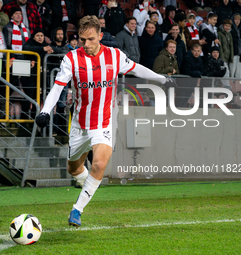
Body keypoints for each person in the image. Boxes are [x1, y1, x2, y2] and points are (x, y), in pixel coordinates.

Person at [35, 15, 171, 227]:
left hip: (105, 123)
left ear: (100, 36)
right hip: (79, 126)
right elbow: (58, 86)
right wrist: (45, 111)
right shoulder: (71, 59)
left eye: (90, 39)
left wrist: (162, 79)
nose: (86, 44)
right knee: (73, 169)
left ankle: (77, 210)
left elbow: (136, 68)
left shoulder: (114, 56)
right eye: (82, 40)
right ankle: (89, 185)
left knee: (99, 163)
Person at [230, 13, 241, 78]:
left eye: (239, 19)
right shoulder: (231, 30)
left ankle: (237, 88)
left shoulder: (240, 30)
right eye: (236, 19)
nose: (237, 21)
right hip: (233, 54)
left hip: (239, 55)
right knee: (232, 73)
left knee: (238, 75)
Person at [218, 19, 234, 86]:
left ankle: (226, 87)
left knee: (228, 73)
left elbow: (231, 46)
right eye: (226, 25)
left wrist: (231, 58)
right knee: (225, 72)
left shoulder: (229, 34)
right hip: (222, 58)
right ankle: (227, 87)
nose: (227, 27)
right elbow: (220, 47)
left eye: (229, 26)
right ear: (223, 25)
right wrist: (221, 57)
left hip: (227, 58)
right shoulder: (219, 34)